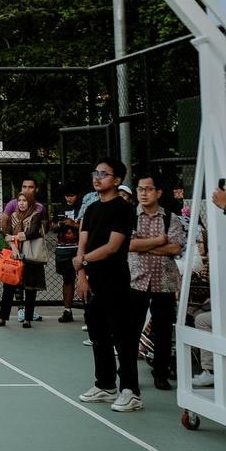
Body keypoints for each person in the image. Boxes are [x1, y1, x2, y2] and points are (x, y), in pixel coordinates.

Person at [76, 157, 140, 412]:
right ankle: (105, 385)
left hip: (117, 280)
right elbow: (83, 240)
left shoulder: (123, 209)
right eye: (95, 171)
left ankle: (130, 391)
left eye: (103, 173)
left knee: (122, 336)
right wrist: (82, 274)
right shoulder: (91, 209)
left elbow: (113, 247)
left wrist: (83, 260)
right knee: (97, 332)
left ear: (117, 180)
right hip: (95, 282)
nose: (97, 176)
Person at [127, 172, 184, 391]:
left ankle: (161, 372)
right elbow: (129, 245)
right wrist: (160, 241)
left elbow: (175, 247)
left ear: (158, 192)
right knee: (132, 328)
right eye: (140, 189)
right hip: (137, 281)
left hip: (165, 281)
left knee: (162, 329)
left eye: (148, 189)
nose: (143, 193)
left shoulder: (171, 217)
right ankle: (130, 373)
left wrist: (145, 244)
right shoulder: (131, 216)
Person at [0, 193, 46, 328]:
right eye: (19, 201)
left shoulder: (35, 215)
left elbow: (33, 233)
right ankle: (2, 318)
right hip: (15, 256)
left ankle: (27, 319)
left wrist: (14, 237)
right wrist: (13, 246)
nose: (22, 203)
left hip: (30, 256)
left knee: (29, 288)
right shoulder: (13, 216)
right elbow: (6, 234)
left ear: (30, 202)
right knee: (8, 287)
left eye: (25, 201)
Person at [53, 188, 83, 323]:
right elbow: (52, 226)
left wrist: (74, 224)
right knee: (67, 279)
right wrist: (59, 224)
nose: (69, 198)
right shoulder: (60, 208)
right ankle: (67, 310)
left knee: (85, 279)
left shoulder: (84, 207)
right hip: (63, 249)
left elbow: (88, 227)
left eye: (72, 195)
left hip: (79, 248)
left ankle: (89, 312)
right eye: (67, 195)